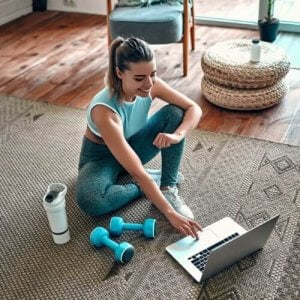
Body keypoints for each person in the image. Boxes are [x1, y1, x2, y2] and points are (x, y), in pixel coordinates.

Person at [75, 36, 202, 238]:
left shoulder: (151, 85)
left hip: (133, 144)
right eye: (139, 78)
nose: (149, 83)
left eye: (153, 74)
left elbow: (193, 108)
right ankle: (146, 185)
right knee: (91, 200)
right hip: (100, 158)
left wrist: (177, 136)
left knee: (175, 114)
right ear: (119, 73)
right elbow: (137, 172)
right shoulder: (105, 112)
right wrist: (169, 214)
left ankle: (167, 186)